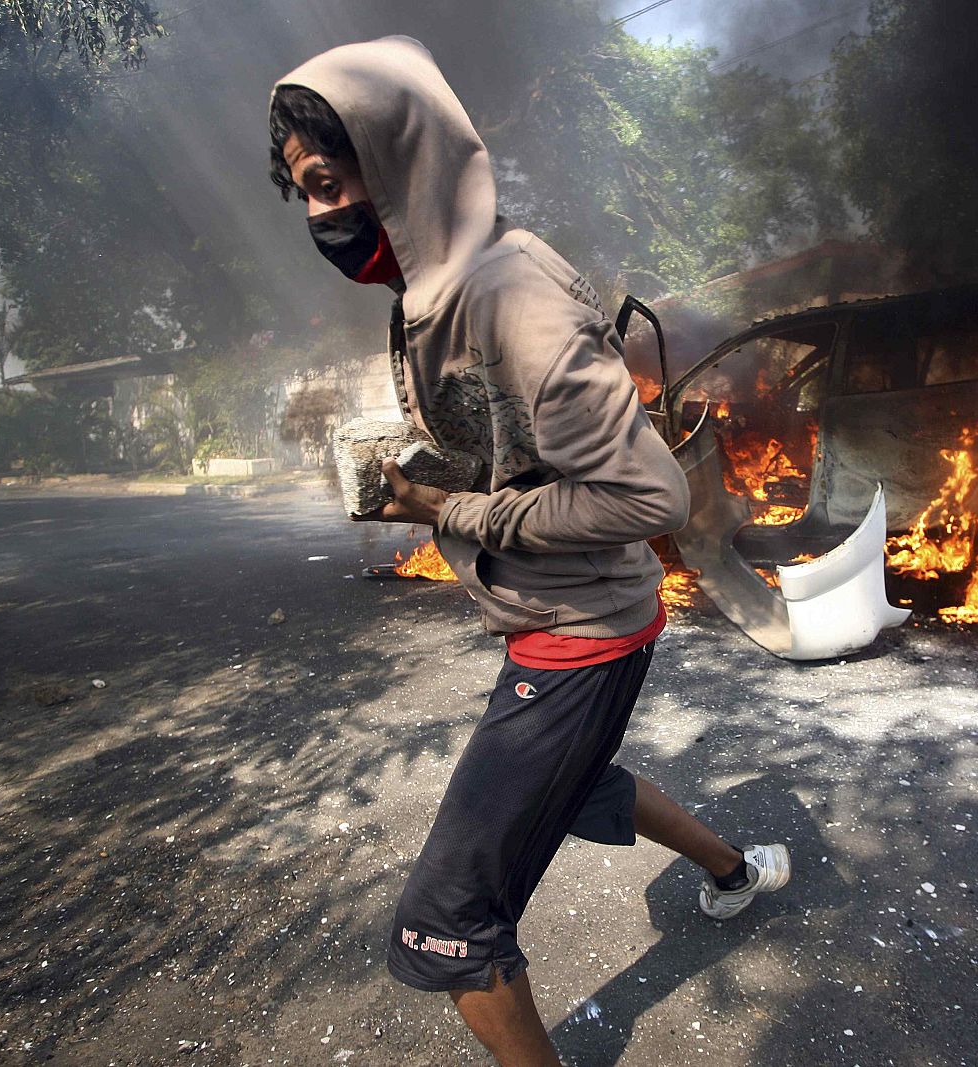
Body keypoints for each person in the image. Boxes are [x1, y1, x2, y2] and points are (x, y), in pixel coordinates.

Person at [267, 36, 790, 1067]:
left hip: (579, 634)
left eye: (330, 183)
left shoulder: (511, 290)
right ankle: (741, 871)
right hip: (569, 617)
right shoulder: (434, 283)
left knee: (452, 921)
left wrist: (449, 513)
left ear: (397, 157)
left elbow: (650, 493)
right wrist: (431, 481)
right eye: (305, 197)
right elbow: (524, 451)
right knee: (581, 777)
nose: (322, 217)